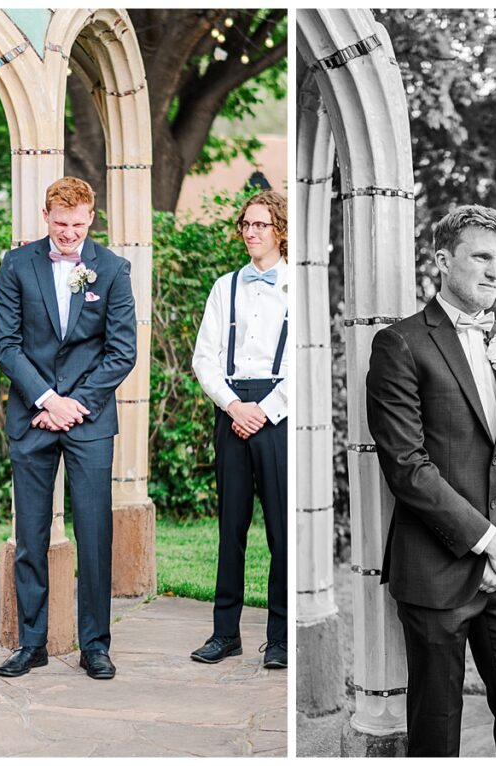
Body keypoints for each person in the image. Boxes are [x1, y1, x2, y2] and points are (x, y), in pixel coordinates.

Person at [365, 205, 496, 757]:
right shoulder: (400, 344)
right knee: (437, 725)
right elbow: (407, 464)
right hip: (435, 570)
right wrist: (488, 542)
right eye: (482, 257)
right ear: (444, 260)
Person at [0, 177, 137, 680]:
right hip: (33, 417)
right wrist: (48, 399)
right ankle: (31, 642)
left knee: (94, 535)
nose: (69, 233)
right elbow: (4, 342)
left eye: (77, 224)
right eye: (60, 223)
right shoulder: (17, 264)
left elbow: (122, 351)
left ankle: (95, 644)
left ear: (90, 217)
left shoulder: (113, 270)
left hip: (89, 423)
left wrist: (75, 404)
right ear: (46, 216)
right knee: (30, 535)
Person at [190, 191, 288, 670]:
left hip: (277, 416)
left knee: (281, 531)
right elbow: (203, 357)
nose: (250, 233)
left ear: (280, 230)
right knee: (231, 528)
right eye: (245, 225)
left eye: (260, 225)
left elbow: (302, 362)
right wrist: (232, 406)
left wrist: (264, 411)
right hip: (230, 411)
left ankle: (281, 638)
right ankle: (224, 633)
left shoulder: (299, 286)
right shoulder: (224, 287)